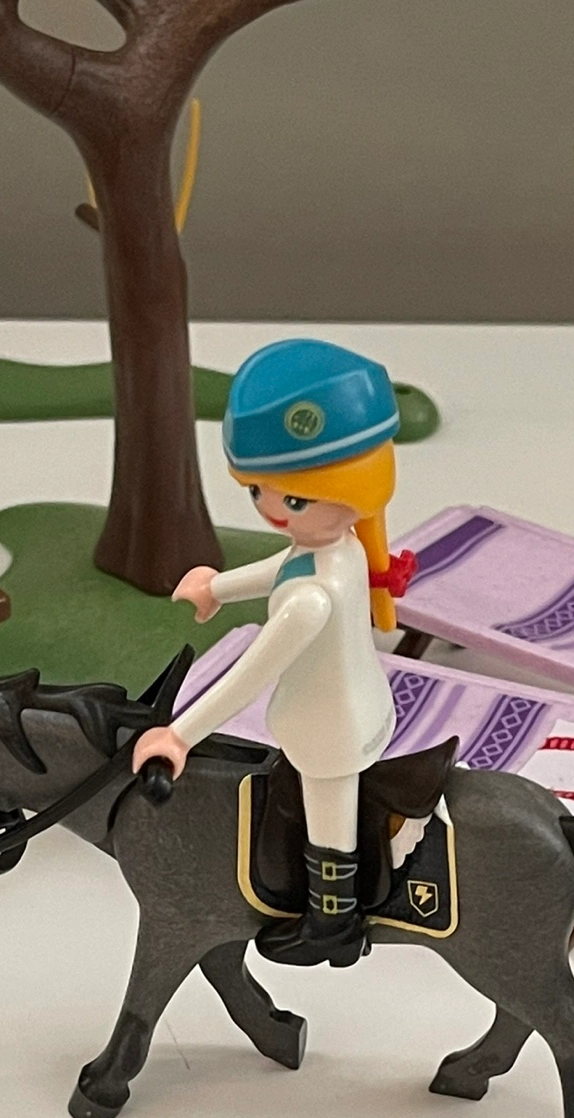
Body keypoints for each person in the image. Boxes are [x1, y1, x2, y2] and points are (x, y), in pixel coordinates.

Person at [133, 339, 415, 967]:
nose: (270, 511)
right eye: (257, 492)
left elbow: (250, 674)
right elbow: (281, 565)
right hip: (354, 704)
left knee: (328, 815)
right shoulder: (338, 549)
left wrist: (179, 735)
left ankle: (334, 923)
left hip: (329, 730)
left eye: (292, 500)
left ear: (350, 494)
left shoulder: (310, 602)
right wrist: (217, 587)